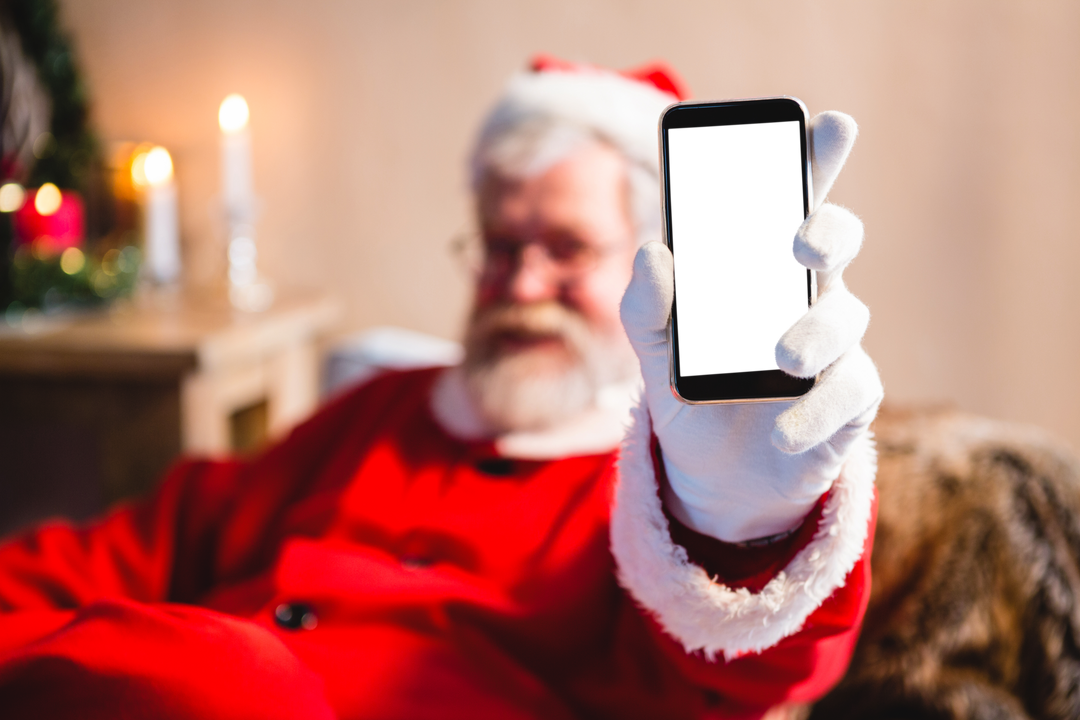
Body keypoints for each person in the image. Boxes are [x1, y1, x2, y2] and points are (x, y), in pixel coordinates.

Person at [0, 57, 882, 720]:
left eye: (565, 249)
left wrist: (742, 527)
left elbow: (745, 667)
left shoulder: (666, 481)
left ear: (656, 263)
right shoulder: (383, 408)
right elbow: (101, 561)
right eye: (500, 246)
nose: (521, 284)